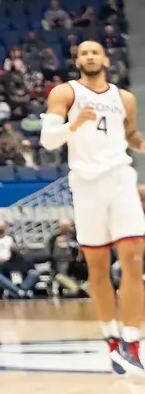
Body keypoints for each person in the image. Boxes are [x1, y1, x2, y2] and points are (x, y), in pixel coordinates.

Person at [40, 39, 145, 372]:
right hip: (86, 185)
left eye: (94, 52)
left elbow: (130, 135)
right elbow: (47, 139)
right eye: (83, 52)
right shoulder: (65, 93)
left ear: (106, 60)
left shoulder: (124, 98)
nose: (89, 56)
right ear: (78, 60)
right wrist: (74, 124)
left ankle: (132, 340)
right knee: (97, 268)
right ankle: (110, 336)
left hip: (120, 179)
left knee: (133, 257)